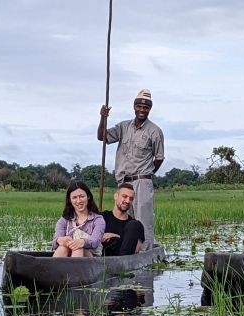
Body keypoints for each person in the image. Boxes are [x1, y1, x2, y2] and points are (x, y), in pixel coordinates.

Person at [98, 89, 164, 250]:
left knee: (143, 221)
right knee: (125, 219)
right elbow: (103, 137)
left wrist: (146, 175)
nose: (142, 110)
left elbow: (159, 158)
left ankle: (146, 254)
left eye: (146, 107)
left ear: (150, 109)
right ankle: (128, 252)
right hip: (123, 182)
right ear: (134, 107)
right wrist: (103, 117)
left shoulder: (154, 131)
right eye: (139, 106)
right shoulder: (123, 127)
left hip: (142, 181)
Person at [52, 181, 105, 257]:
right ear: (70, 200)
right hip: (67, 253)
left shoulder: (98, 220)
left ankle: (74, 269)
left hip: (91, 258)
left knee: (78, 247)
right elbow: (56, 239)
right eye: (74, 197)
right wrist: (60, 240)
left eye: (82, 196)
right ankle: (54, 268)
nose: (79, 201)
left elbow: (95, 241)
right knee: (63, 247)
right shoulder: (64, 220)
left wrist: (82, 242)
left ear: (88, 197)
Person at [101, 183, 145, 256]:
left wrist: (116, 237)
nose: (127, 201)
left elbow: (137, 250)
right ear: (116, 196)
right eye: (124, 196)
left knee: (134, 224)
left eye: (131, 199)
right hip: (102, 259)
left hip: (125, 259)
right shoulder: (102, 217)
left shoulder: (135, 226)